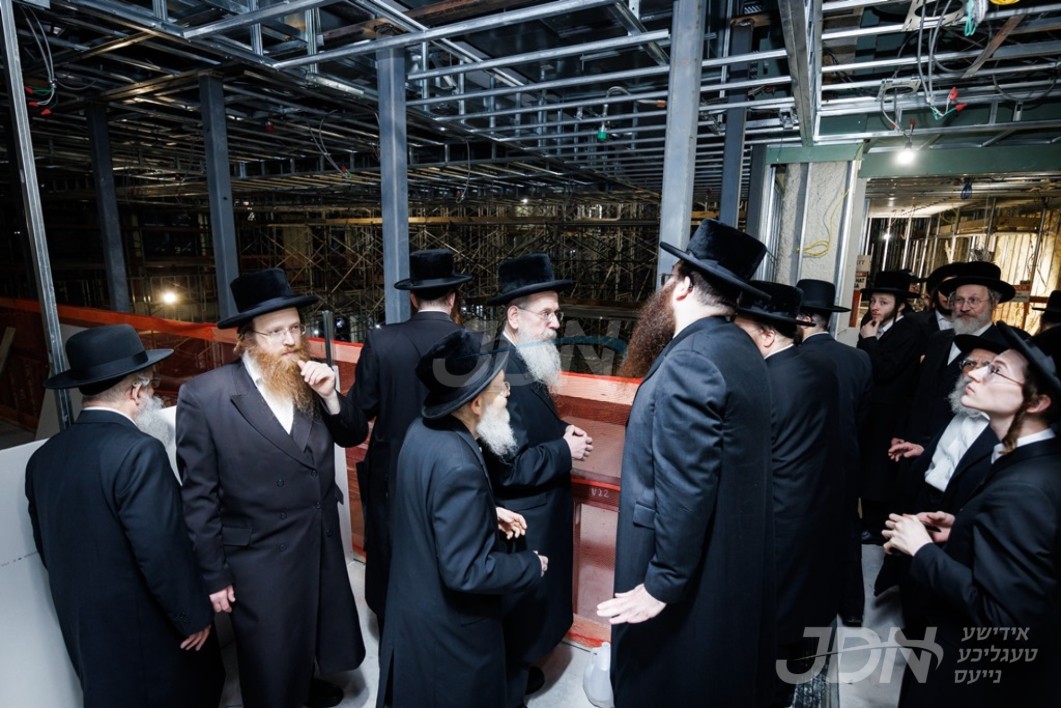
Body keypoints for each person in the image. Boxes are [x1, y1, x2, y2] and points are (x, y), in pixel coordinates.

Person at [598, 219, 775, 707]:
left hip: (684, 566)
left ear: (684, 284)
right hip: (726, 555)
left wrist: (662, 582)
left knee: (663, 678)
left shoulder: (692, 360)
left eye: (670, 277)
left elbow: (685, 487)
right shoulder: (739, 348)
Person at [177, 268, 369, 708]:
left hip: (316, 538)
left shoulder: (308, 378)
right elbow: (199, 496)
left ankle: (305, 684)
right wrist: (214, 575)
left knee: (312, 624)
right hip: (259, 554)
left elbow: (353, 433)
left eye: (295, 328)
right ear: (246, 339)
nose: (290, 340)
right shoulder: (205, 396)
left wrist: (332, 396)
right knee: (271, 651)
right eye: (276, 331)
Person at [26, 324, 224, 708]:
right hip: (148, 632)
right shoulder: (139, 451)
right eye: (150, 387)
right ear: (136, 391)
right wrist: (193, 616)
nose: (152, 395)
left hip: (88, 631)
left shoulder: (43, 457)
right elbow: (162, 551)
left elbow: (48, 548)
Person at [883, 323, 1061, 706]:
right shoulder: (1027, 460)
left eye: (995, 370)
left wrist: (921, 550)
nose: (974, 374)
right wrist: (964, 528)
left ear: (1036, 403)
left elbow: (1005, 619)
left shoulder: (1025, 487)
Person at [378, 329, 547, 708]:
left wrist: (486, 511)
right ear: (475, 403)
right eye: (501, 388)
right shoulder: (460, 464)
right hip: (449, 637)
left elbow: (427, 506)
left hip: (413, 612)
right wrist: (529, 565)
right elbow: (467, 571)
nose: (507, 396)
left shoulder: (420, 431)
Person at [482, 252, 592, 704]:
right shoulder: (499, 371)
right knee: (517, 619)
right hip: (523, 520)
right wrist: (564, 451)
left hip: (541, 512)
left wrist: (560, 430)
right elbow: (507, 466)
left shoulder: (524, 357)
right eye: (546, 314)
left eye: (556, 314)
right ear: (514, 316)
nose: (555, 324)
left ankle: (518, 673)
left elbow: (531, 425)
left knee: (531, 615)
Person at [734, 281, 842, 707]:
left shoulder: (762, 385)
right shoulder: (818, 368)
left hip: (775, 517)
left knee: (767, 626)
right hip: (812, 509)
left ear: (766, 335)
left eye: (741, 330)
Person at [350, 248, 470, 627]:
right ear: (453, 298)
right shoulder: (471, 344)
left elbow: (356, 416)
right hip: (455, 471)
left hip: (393, 476)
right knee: (447, 549)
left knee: (392, 552)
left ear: (413, 298)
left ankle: (394, 626)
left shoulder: (382, 342)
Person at [796, 278, 872, 627]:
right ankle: (852, 606)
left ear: (804, 317)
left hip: (806, 460)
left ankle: (811, 602)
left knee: (806, 533)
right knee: (847, 528)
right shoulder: (859, 359)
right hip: (847, 457)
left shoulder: (794, 359)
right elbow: (864, 416)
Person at [904, 262, 1015, 448]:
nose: (964, 307)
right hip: (912, 444)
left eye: (973, 300)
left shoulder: (1005, 349)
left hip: (956, 448)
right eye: (958, 300)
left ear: (994, 302)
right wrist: (902, 432)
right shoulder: (938, 339)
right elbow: (916, 392)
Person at [857, 270, 926, 542]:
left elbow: (885, 371)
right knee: (866, 467)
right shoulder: (871, 322)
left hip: (891, 413)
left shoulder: (909, 329)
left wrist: (870, 340)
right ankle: (867, 523)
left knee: (880, 471)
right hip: (870, 408)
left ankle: (876, 529)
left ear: (900, 305)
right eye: (873, 300)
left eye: (883, 302)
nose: (875, 307)